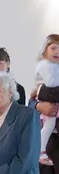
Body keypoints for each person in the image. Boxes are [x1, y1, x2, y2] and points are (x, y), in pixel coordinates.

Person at [34, 34, 59, 166]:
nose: (57, 52)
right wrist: (38, 104)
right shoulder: (44, 65)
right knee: (48, 125)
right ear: (45, 51)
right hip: (53, 141)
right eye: (54, 48)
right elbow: (49, 85)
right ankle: (40, 150)